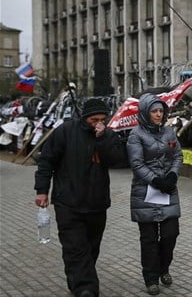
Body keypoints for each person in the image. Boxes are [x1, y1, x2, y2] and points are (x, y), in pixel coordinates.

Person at [34, 98, 127, 297]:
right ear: (85, 118)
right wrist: (42, 190)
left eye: (103, 119)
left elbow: (117, 160)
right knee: (75, 247)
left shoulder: (108, 135)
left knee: (91, 247)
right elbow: (46, 162)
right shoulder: (65, 132)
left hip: (96, 203)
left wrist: (102, 139)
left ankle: (77, 280)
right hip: (67, 201)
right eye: (94, 120)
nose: (98, 123)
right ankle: (86, 288)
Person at [127, 94, 182, 295]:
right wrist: (156, 180)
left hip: (168, 189)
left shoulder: (169, 132)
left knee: (170, 233)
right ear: (145, 113)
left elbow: (177, 155)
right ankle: (151, 278)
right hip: (146, 191)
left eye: (161, 111)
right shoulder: (136, 135)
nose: (159, 115)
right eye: (154, 111)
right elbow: (136, 163)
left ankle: (163, 268)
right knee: (149, 238)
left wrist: (172, 176)